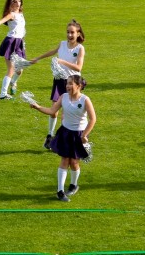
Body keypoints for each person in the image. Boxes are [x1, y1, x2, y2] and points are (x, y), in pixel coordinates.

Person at [30, 74, 96, 202]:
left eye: (71, 83)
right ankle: (60, 191)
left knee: (74, 162)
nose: (68, 86)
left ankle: (73, 184)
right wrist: (38, 107)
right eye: (67, 83)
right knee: (65, 160)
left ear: (79, 86)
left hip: (78, 134)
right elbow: (52, 111)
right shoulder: (63, 97)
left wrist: (84, 135)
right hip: (65, 132)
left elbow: (93, 119)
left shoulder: (85, 100)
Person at [28, 20, 86, 150]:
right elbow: (52, 52)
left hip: (72, 83)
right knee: (54, 110)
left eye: (72, 32)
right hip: (59, 81)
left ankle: (68, 139)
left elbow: (79, 67)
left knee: (67, 113)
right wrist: (37, 58)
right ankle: (50, 135)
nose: (69, 35)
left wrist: (62, 61)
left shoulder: (80, 48)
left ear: (78, 34)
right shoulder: (62, 44)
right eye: (68, 32)